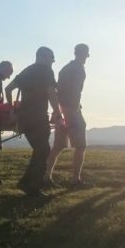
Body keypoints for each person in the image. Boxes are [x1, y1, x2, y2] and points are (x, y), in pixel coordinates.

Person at [6, 47, 62, 197]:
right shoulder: (46, 71)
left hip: (24, 118)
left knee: (41, 150)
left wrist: (12, 111)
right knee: (43, 150)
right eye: (52, 58)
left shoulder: (26, 71)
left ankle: (28, 183)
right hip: (38, 117)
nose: (53, 61)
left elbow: (8, 88)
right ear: (43, 57)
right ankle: (31, 186)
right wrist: (58, 113)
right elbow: (51, 93)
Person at [45, 44, 90, 188]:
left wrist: (58, 111)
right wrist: (73, 107)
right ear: (84, 54)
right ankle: (75, 179)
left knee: (58, 146)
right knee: (81, 146)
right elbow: (73, 90)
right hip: (71, 109)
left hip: (63, 109)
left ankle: (46, 176)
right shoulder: (78, 69)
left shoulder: (65, 68)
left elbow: (60, 88)